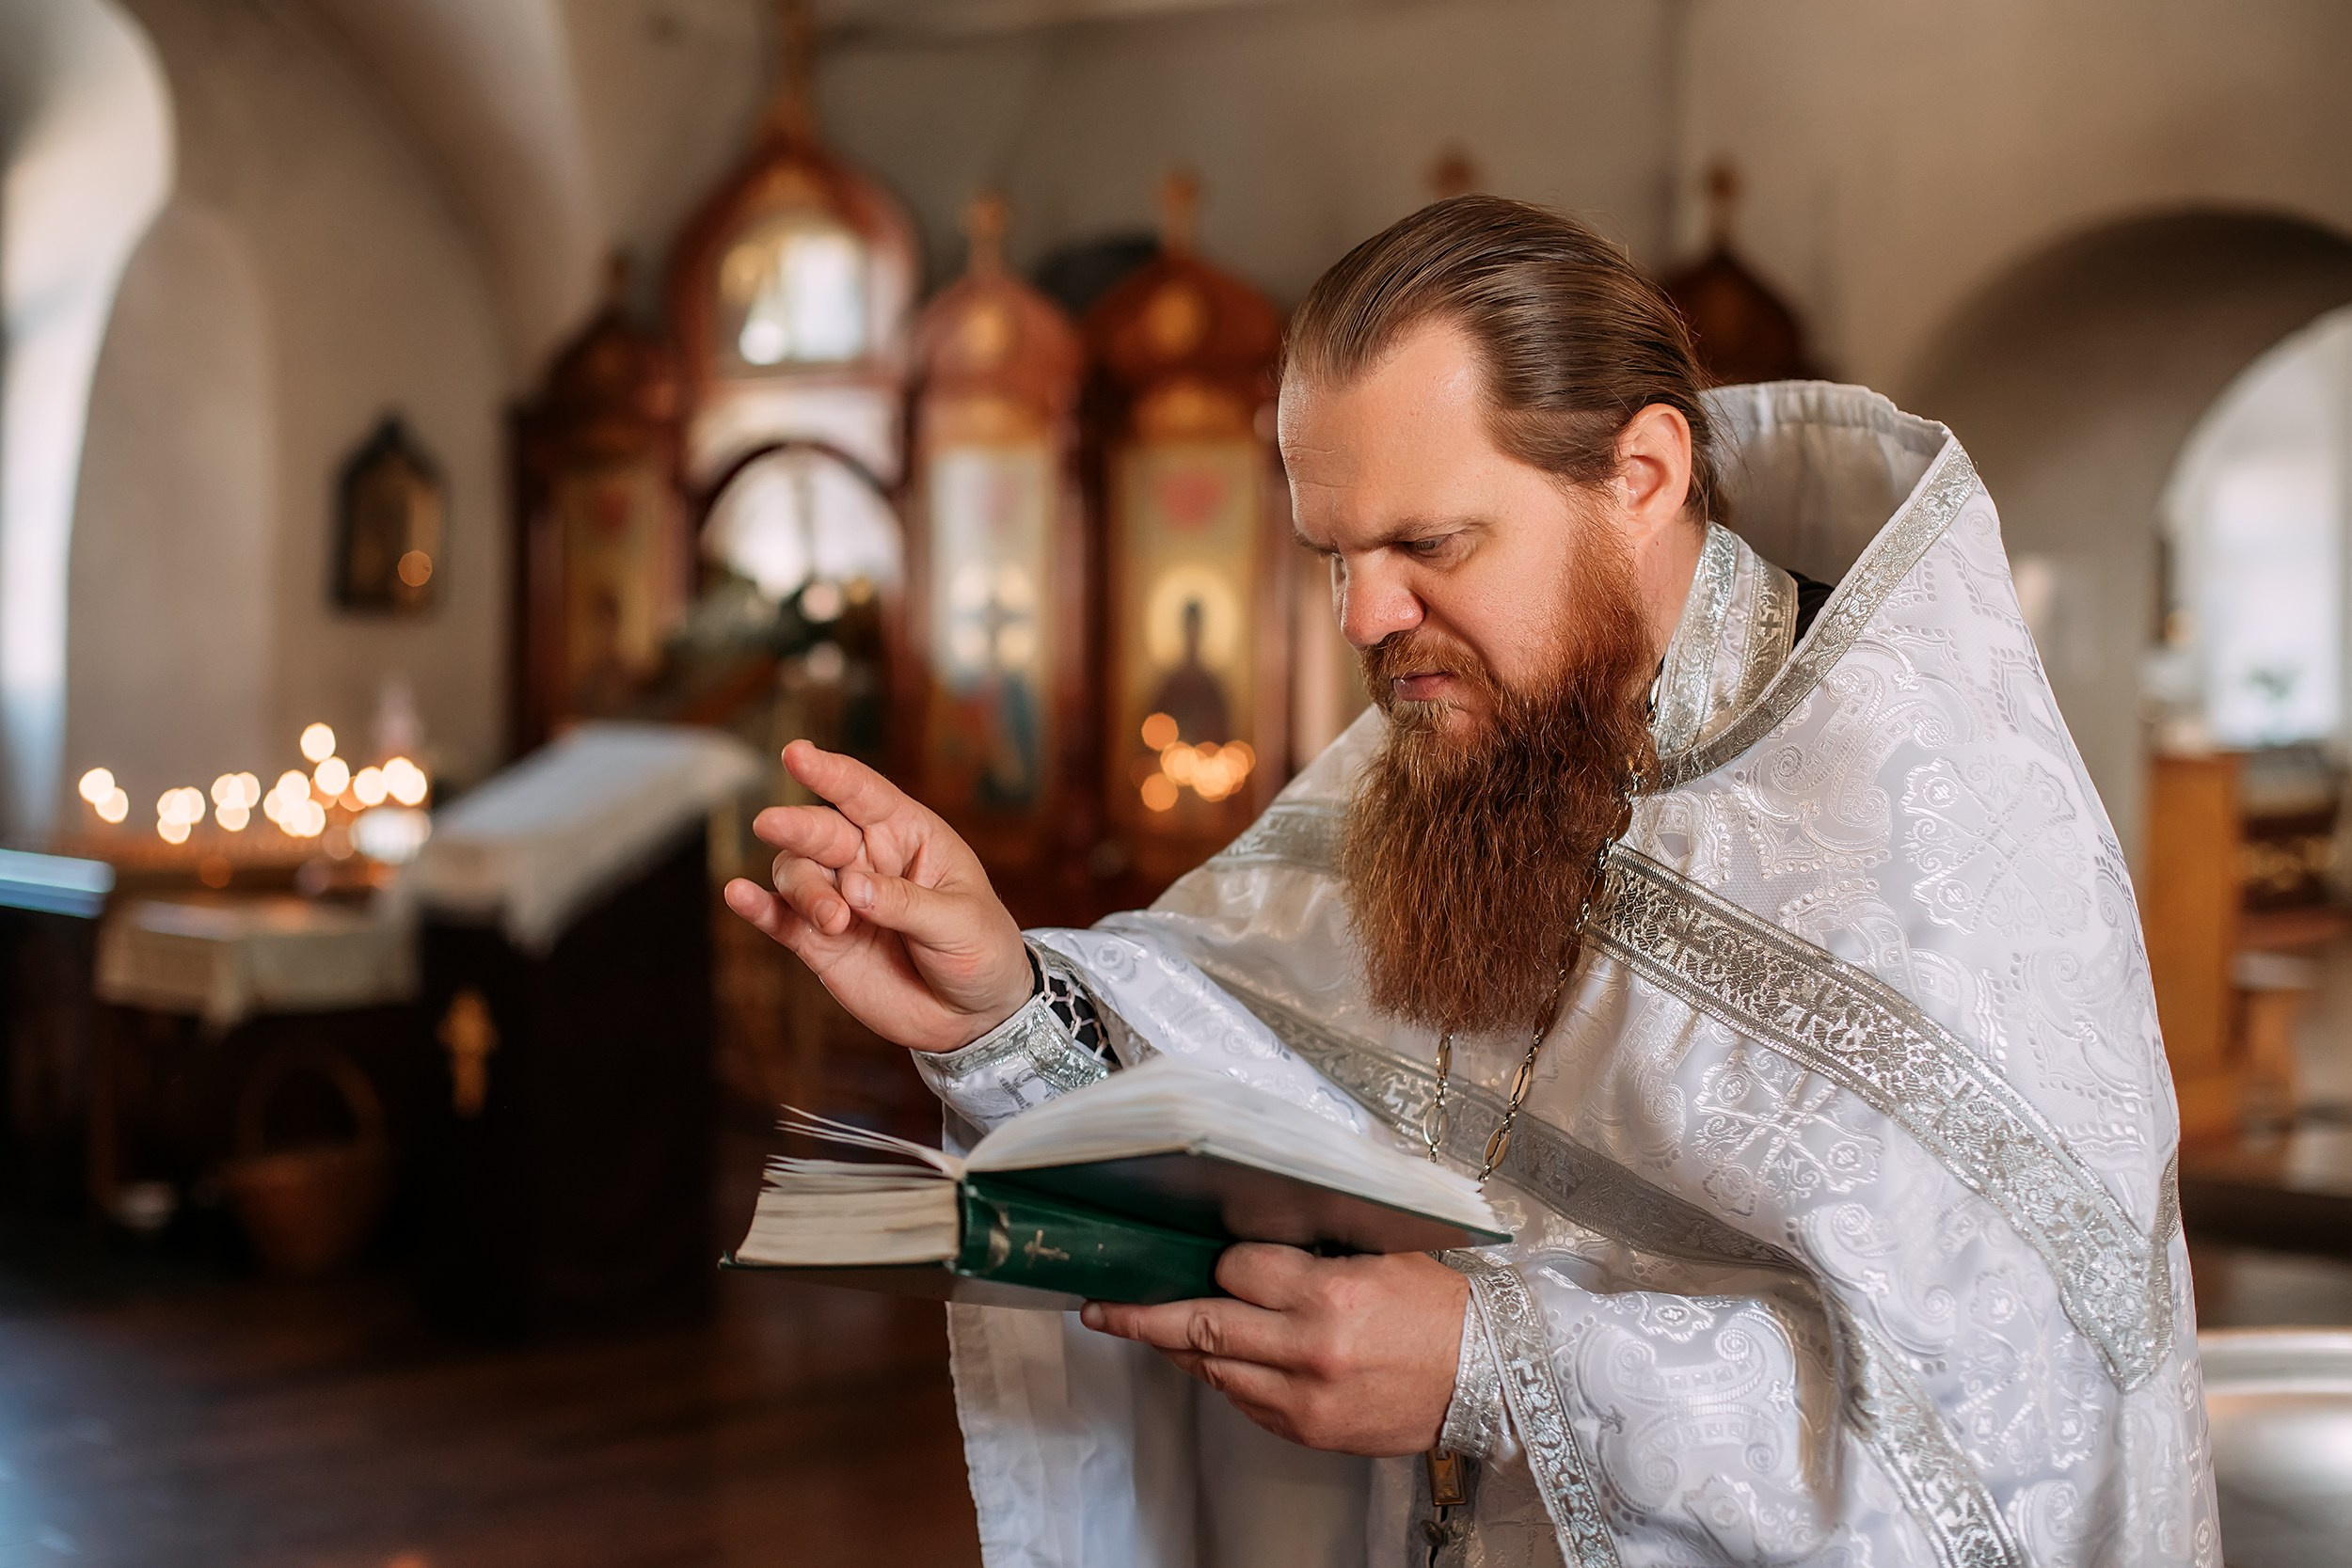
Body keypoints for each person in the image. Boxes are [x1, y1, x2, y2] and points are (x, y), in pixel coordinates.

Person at [725, 196, 2216, 1568]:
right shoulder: (1468, 729)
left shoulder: (1940, 838)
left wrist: (1494, 1367)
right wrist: (999, 1001)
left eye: (1428, 543)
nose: (1365, 616)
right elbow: (1255, 1038)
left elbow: (2009, 1446)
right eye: (1333, 554)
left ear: (1642, 475)